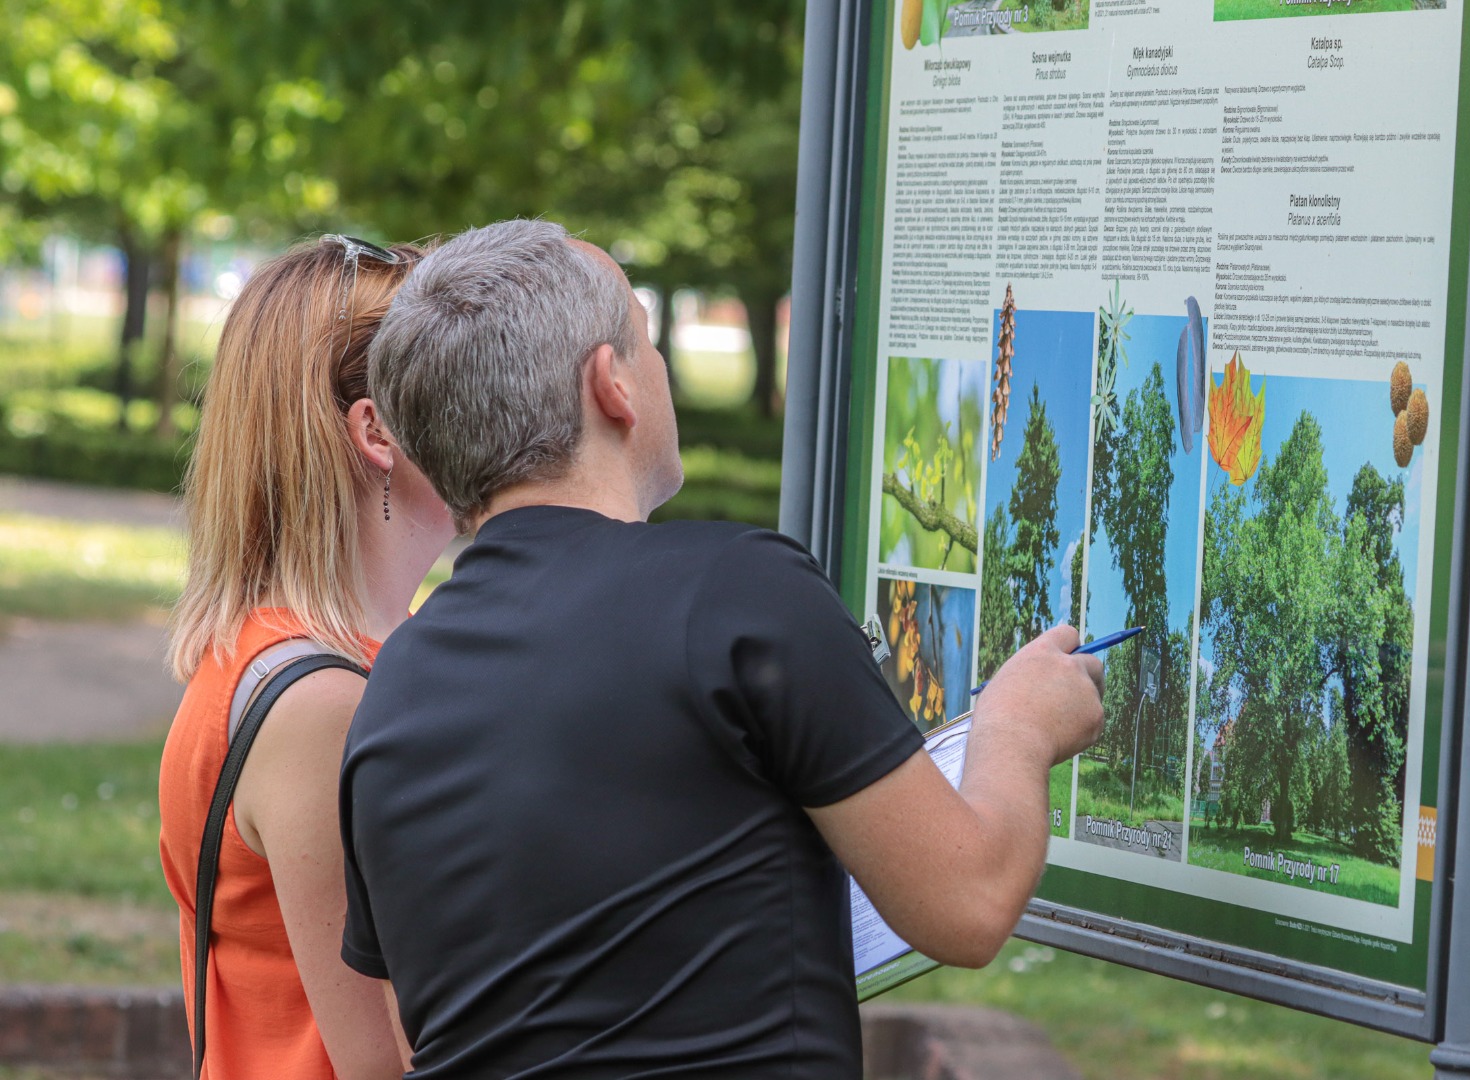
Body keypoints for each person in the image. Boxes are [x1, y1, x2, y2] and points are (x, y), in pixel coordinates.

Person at [340, 218, 1106, 1078]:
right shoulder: (738, 594)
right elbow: (967, 902)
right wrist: (1018, 723)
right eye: (645, 339)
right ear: (613, 387)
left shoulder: (393, 683)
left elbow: (417, 1037)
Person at [159, 236, 456, 1079]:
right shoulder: (322, 704)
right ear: (379, 432)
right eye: (452, 383)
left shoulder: (298, 655)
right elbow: (386, 1061)